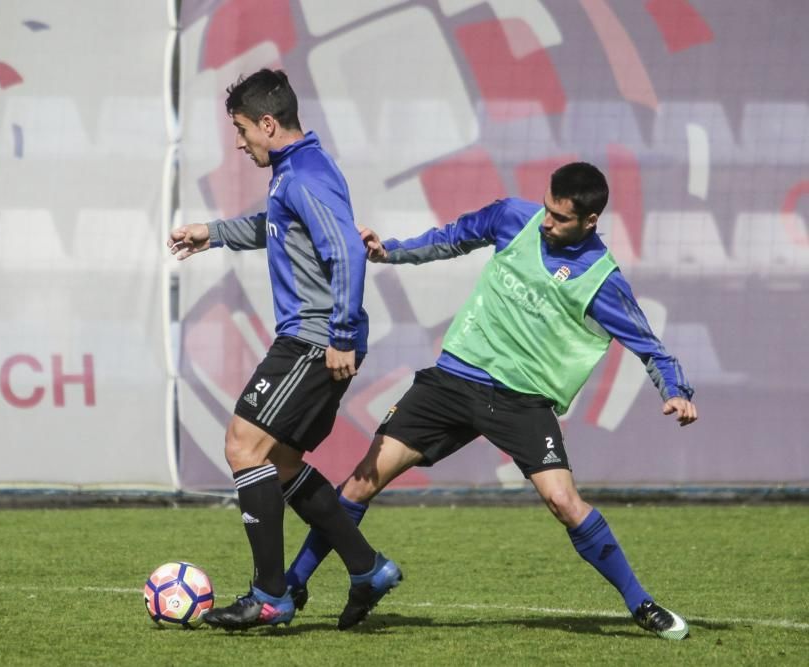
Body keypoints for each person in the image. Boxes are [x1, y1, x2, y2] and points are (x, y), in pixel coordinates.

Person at [284, 162, 697, 640]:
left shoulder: (601, 281)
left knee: (563, 501)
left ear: (590, 222)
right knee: (360, 483)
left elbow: (650, 347)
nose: (546, 223)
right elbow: (454, 236)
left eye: (561, 219)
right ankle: (293, 586)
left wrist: (677, 393)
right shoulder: (512, 217)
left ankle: (640, 605)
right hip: (453, 380)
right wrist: (389, 252)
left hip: (523, 401)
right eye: (547, 209)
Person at [167, 69, 401, 631]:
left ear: (268, 124)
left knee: (242, 445)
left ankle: (270, 594)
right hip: (316, 336)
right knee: (280, 460)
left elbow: (346, 250)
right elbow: (276, 226)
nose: (240, 141)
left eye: (242, 129)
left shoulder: (303, 175)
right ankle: (368, 569)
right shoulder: (295, 172)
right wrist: (213, 232)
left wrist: (341, 335)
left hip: (314, 339)